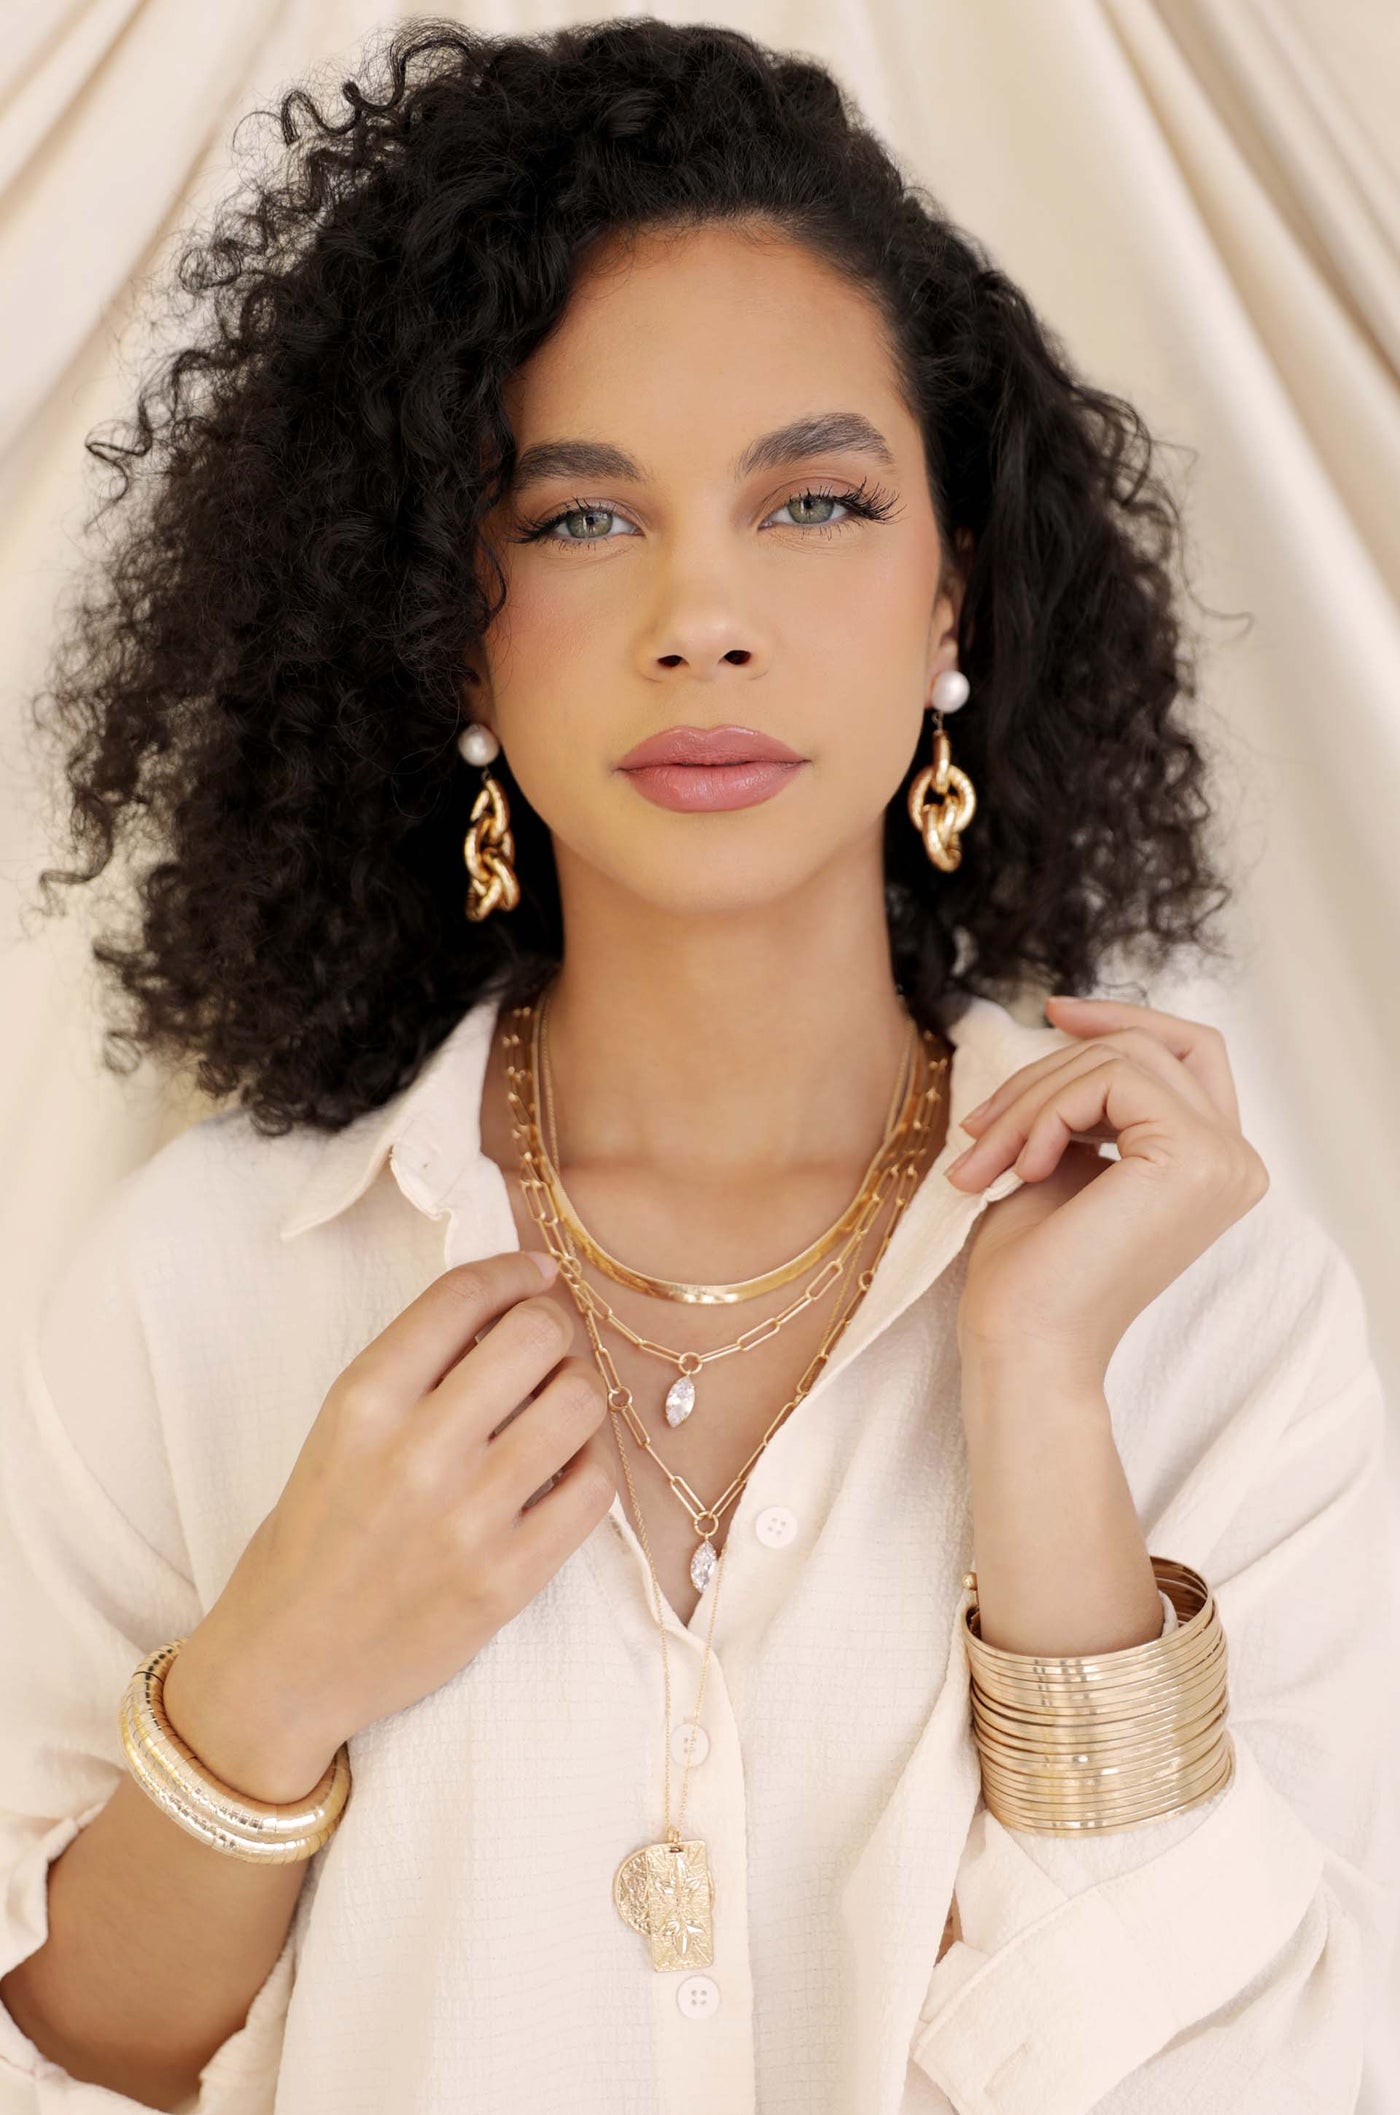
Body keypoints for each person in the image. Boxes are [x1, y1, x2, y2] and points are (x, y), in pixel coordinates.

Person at [1, 17, 1394, 2114]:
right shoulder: (198, 1284)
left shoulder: (1202, 1299)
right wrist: (268, 1678)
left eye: (813, 499)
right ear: (445, 620)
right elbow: (72, 2060)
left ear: (955, 594)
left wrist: (1035, 1405)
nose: (701, 613)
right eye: (578, 522)